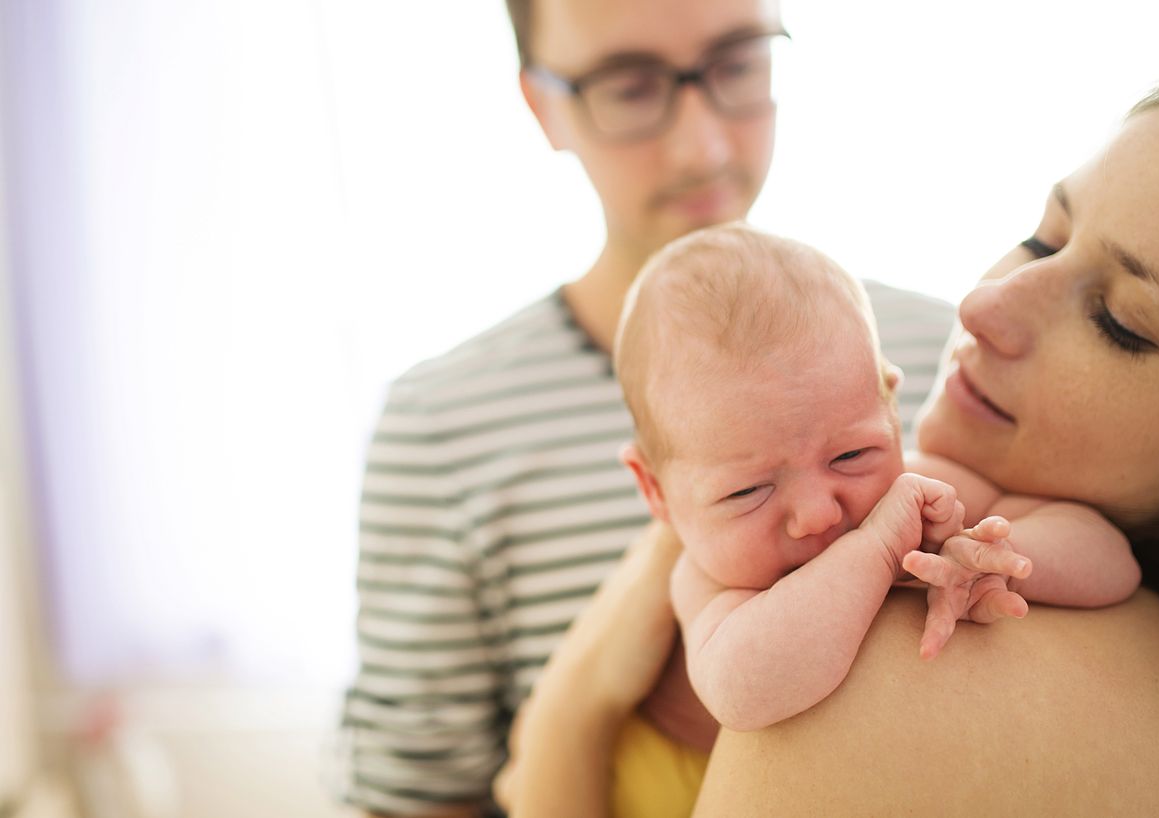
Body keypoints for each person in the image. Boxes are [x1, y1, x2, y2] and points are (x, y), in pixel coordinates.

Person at [498, 63, 1159, 817]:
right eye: (1041, 240)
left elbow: (1106, 559)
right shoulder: (714, 573)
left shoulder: (931, 492)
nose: (979, 305)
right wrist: (874, 553)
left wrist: (1000, 555)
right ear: (657, 495)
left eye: (1119, 322)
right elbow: (744, 686)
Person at [334, 1, 956, 815]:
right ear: (542, 105)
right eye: (630, 88)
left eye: (738, 64)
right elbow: (413, 800)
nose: (704, 145)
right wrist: (576, 702)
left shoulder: (945, 350)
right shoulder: (442, 426)